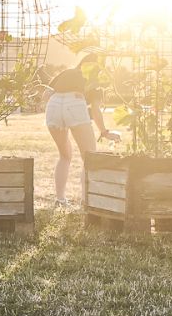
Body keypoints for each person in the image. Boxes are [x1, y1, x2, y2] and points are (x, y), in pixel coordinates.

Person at [45, 56, 120, 207]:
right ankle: (86, 201)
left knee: (64, 156)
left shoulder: (67, 72)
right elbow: (96, 110)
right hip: (75, 102)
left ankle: (60, 200)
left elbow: (45, 94)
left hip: (53, 105)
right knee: (89, 158)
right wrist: (104, 132)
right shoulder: (94, 80)